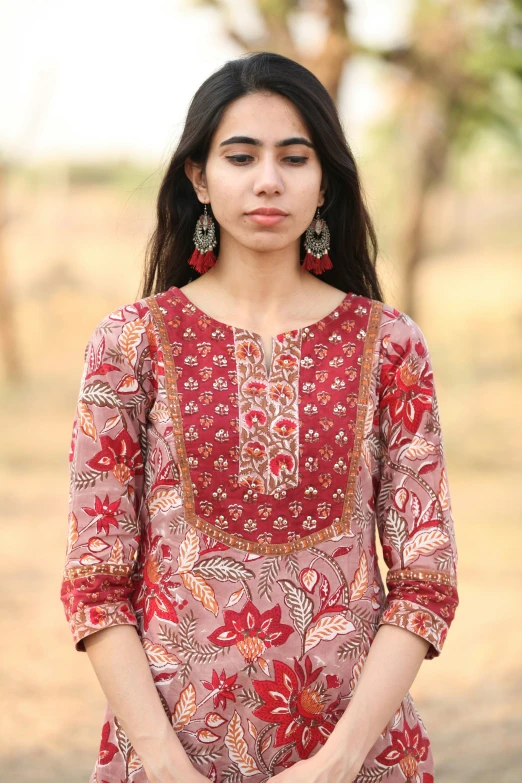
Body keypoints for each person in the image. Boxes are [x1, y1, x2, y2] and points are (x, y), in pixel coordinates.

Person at [60, 51, 459, 783]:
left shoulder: (390, 343)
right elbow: (94, 579)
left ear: (324, 179)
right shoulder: (130, 343)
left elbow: (426, 578)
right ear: (199, 178)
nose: (268, 179)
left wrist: (338, 762)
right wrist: (168, 767)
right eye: (240, 156)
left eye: (294, 157)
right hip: (165, 759)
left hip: (362, 761)